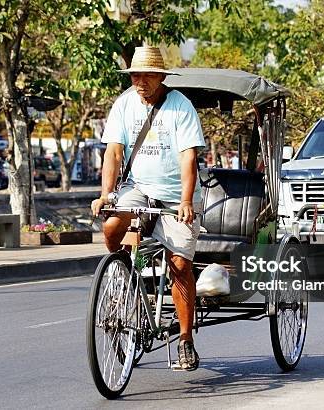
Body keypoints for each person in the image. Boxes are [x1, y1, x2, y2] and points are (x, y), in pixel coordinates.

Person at [91, 46, 205, 371]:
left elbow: (189, 158)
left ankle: (185, 340)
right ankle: (124, 271)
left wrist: (185, 202)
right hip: (137, 190)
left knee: (180, 264)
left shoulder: (181, 107)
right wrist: (106, 194)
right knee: (112, 224)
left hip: (174, 198)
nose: (139, 81)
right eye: (135, 75)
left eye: (146, 75)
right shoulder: (124, 104)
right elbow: (113, 153)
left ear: (161, 77)